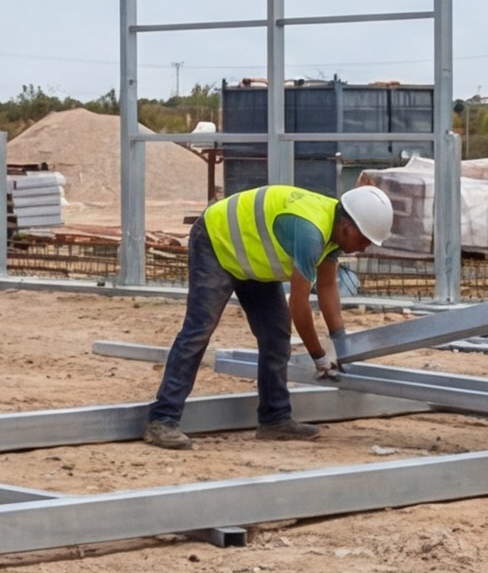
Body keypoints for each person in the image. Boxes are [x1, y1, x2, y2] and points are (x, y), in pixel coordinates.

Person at [143, 179, 394, 450]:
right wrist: (320, 357)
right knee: (198, 330)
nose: (366, 247)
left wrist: (341, 343)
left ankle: (275, 419)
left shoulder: (334, 235)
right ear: (348, 227)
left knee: (276, 335)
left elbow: (327, 287)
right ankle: (163, 420)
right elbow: (299, 307)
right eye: (365, 239)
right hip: (216, 242)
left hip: (252, 258)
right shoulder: (311, 233)